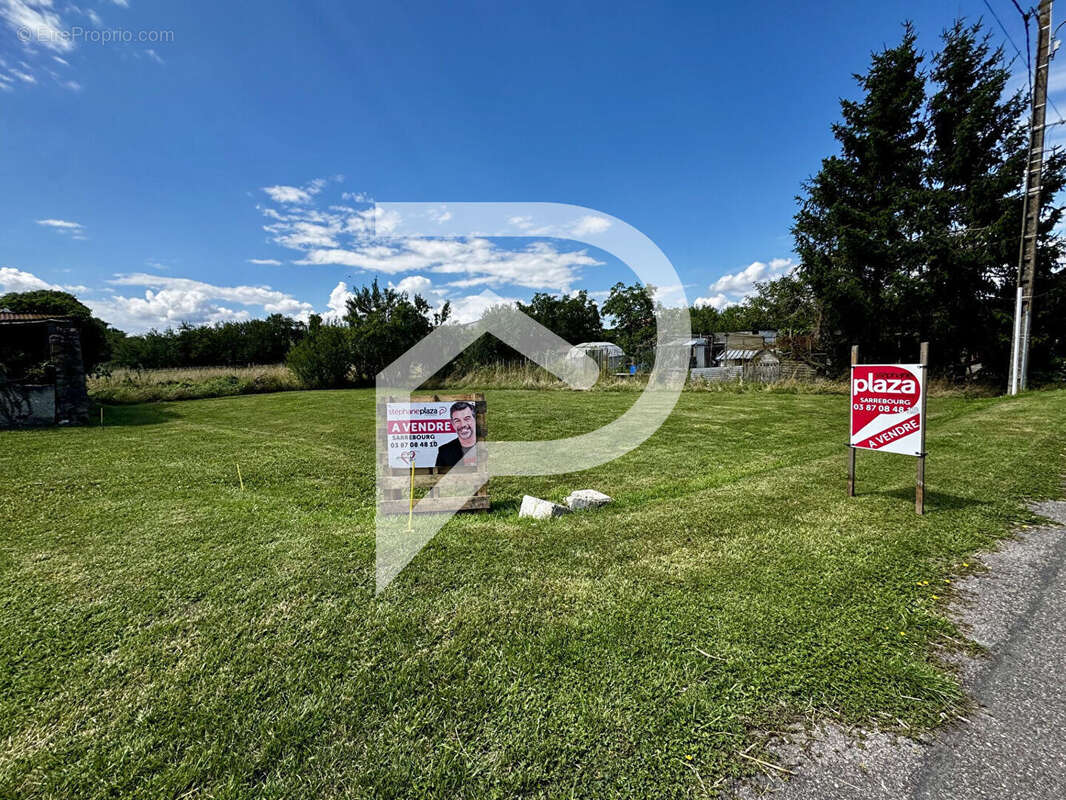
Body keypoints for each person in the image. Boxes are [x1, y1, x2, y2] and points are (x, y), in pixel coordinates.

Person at [435, 401, 478, 468]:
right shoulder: (445, 451)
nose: (463, 425)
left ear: (475, 420)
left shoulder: (486, 445)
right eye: (457, 421)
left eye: (467, 419)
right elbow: (438, 477)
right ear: (452, 424)